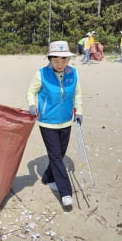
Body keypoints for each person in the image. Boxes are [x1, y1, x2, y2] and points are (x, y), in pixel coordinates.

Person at [26, 40, 83, 208]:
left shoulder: (73, 73)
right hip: (47, 122)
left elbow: (78, 94)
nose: (60, 64)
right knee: (56, 156)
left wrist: (79, 111)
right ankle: (65, 192)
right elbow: (31, 91)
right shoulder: (41, 74)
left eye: (64, 60)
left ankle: (48, 177)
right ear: (49, 59)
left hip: (66, 121)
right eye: (56, 60)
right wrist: (32, 104)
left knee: (60, 154)